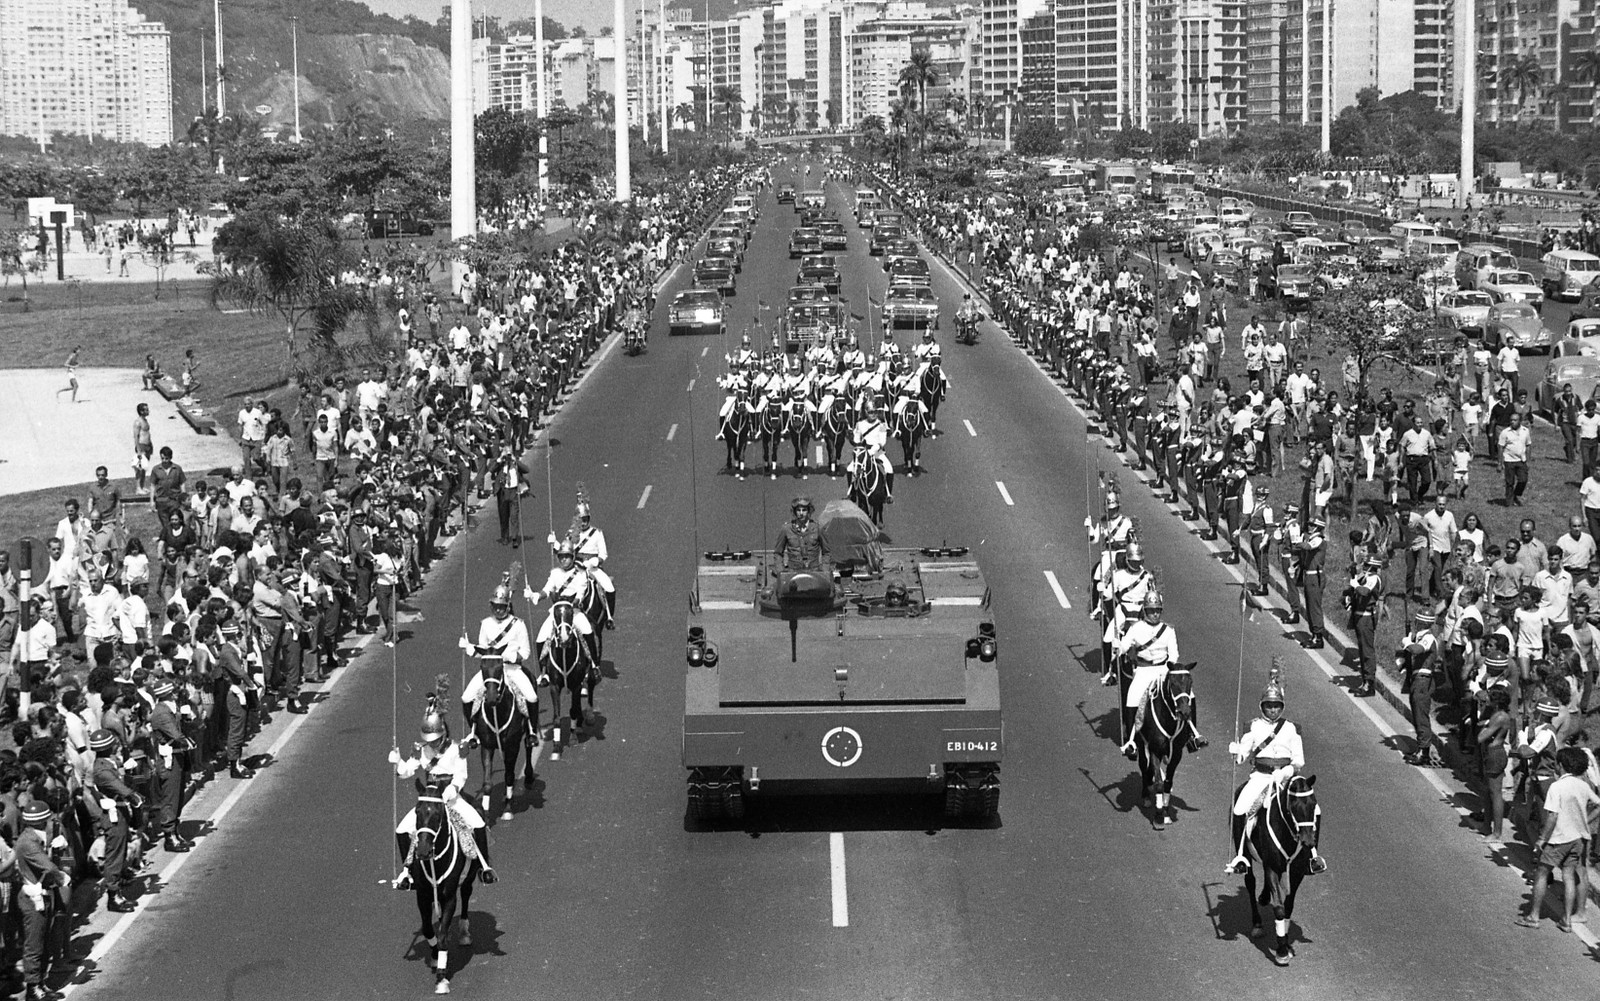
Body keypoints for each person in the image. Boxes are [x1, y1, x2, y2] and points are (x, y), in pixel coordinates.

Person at [1224, 667, 1328, 876]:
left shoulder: (1291, 728)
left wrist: (1287, 771)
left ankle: (1312, 855)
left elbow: (1299, 760)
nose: (1273, 710)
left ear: (1282, 707)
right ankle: (1241, 856)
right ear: (1262, 706)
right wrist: (1237, 751)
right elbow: (1243, 757)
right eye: (1269, 706)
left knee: (1313, 809)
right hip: (1261, 776)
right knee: (1240, 808)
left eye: (1276, 706)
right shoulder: (1252, 727)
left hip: (1287, 777)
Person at [390, 693, 496, 888]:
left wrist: (453, 790)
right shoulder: (421, 749)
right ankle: (410, 872)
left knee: (478, 823)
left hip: (451, 798)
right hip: (430, 800)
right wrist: (398, 762)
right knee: (402, 829)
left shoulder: (457, 749)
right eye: (428, 740)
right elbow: (407, 772)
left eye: (435, 739)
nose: (431, 743)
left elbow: (461, 775)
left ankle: (484, 868)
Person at [1517, 745, 1600, 931]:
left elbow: (1552, 816)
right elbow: (1598, 804)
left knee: (1542, 873)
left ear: (1561, 765)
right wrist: (1585, 820)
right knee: (1569, 876)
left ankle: (1534, 916)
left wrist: (1541, 840)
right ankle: (1567, 920)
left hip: (1558, 838)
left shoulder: (1557, 786)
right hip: (1577, 839)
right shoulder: (1583, 786)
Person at [459, 578, 538, 740]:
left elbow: (526, 652)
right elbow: (483, 651)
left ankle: (531, 731)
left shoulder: (518, 624)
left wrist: (509, 656)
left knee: (531, 697)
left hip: (512, 669)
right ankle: (474, 732)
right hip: (491, 671)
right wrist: (469, 648)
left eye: (502, 607)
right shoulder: (486, 624)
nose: (499, 610)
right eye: (495, 606)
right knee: (466, 697)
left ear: (508, 606)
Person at [87, 728, 139, 912]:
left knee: (121, 849)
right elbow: (120, 788)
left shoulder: (109, 763)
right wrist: (134, 797)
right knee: (114, 855)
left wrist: (131, 772)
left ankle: (118, 886)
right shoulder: (102, 769)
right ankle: (113, 894)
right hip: (113, 814)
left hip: (120, 810)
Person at [1399, 610, 1442, 766]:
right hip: (1417, 678)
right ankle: (1420, 748)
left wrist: (1407, 643)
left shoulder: (1429, 638)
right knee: (1416, 715)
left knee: (1421, 715)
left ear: (1422, 622)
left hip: (1423, 680)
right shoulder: (1420, 637)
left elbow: (1416, 650)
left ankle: (1424, 752)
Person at [570, 497, 616, 626]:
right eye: (580, 520)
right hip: (577, 566)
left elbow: (603, 553)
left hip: (592, 566)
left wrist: (596, 561)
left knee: (609, 587)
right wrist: (555, 544)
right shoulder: (571, 534)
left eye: (585, 520)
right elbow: (566, 552)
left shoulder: (597, 533)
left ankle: (609, 616)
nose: (583, 523)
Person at [774, 496, 823, 571]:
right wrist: (781, 571)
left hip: (814, 572)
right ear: (794, 512)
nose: (801, 513)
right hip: (793, 572)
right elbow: (778, 553)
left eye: (804, 510)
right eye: (798, 510)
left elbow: (827, 552)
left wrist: (825, 570)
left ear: (809, 511)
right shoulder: (787, 529)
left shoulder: (817, 528)